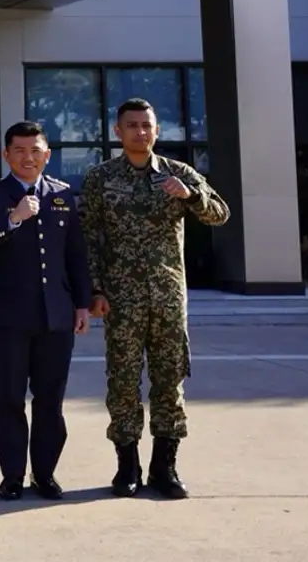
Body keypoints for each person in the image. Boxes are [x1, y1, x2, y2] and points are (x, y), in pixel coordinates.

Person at [81, 97, 229, 500]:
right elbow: (87, 236)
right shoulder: (100, 178)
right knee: (123, 382)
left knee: (169, 382)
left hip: (167, 297)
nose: (140, 132)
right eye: (132, 125)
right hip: (121, 300)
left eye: (146, 125)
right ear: (118, 132)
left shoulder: (178, 173)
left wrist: (190, 196)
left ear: (157, 130)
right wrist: (95, 289)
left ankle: (165, 466)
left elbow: (220, 214)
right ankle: (126, 466)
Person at [0, 121, 92, 501]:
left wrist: (82, 304)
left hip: (56, 313)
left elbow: (76, 254)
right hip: (9, 313)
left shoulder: (62, 194)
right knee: (9, 397)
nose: (28, 158)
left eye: (35, 150)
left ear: (47, 155)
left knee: (50, 399)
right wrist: (14, 218)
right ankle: (11, 476)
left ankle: (45, 473)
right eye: (20, 151)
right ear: (6, 155)